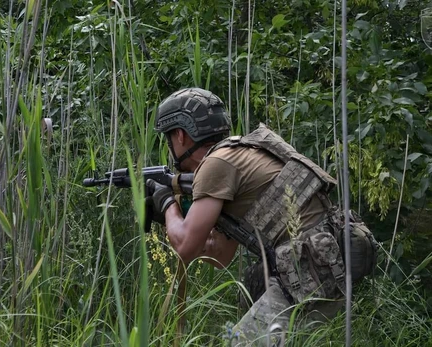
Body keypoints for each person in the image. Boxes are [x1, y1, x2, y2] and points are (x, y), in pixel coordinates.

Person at [146, 87, 375, 346]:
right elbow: (220, 256)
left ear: (180, 135)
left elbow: (186, 247)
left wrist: (166, 205)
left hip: (312, 266)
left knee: (238, 343)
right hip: (324, 260)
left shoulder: (216, 164)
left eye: (168, 138)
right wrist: (181, 218)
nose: (170, 145)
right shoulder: (238, 153)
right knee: (252, 293)